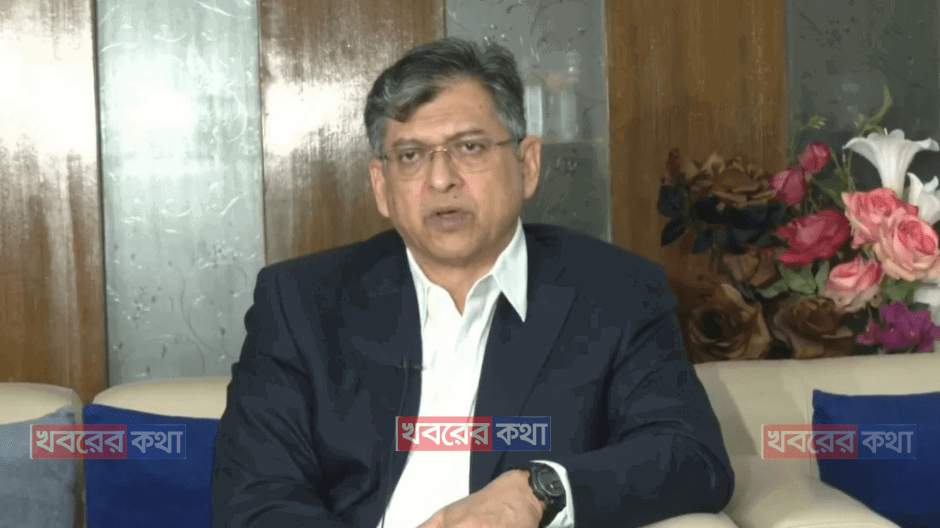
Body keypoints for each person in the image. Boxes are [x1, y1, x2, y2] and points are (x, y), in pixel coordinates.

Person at [211, 37, 734, 528]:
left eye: (470, 147)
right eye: (411, 156)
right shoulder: (301, 302)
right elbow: (254, 495)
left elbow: (691, 455)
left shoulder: (616, 292)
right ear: (382, 186)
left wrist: (537, 490)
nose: (441, 180)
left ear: (527, 165)